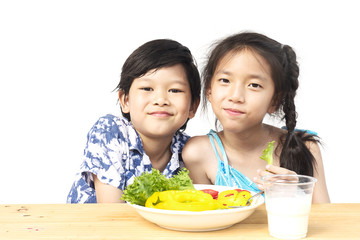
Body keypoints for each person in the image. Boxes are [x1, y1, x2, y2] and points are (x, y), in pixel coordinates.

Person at [182, 32, 330, 203]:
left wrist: (298, 194)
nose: (236, 96)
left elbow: (327, 220)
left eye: (254, 85)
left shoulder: (305, 147)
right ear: (209, 90)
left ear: (274, 100)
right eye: (225, 80)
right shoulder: (198, 153)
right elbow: (204, 217)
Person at [67, 39, 201, 203]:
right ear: (125, 100)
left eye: (175, 90)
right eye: (147, 88)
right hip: (94, 227)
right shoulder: (110, 132)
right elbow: (111, 212)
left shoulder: (192, 152)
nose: (160, 100)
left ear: (193, 106)